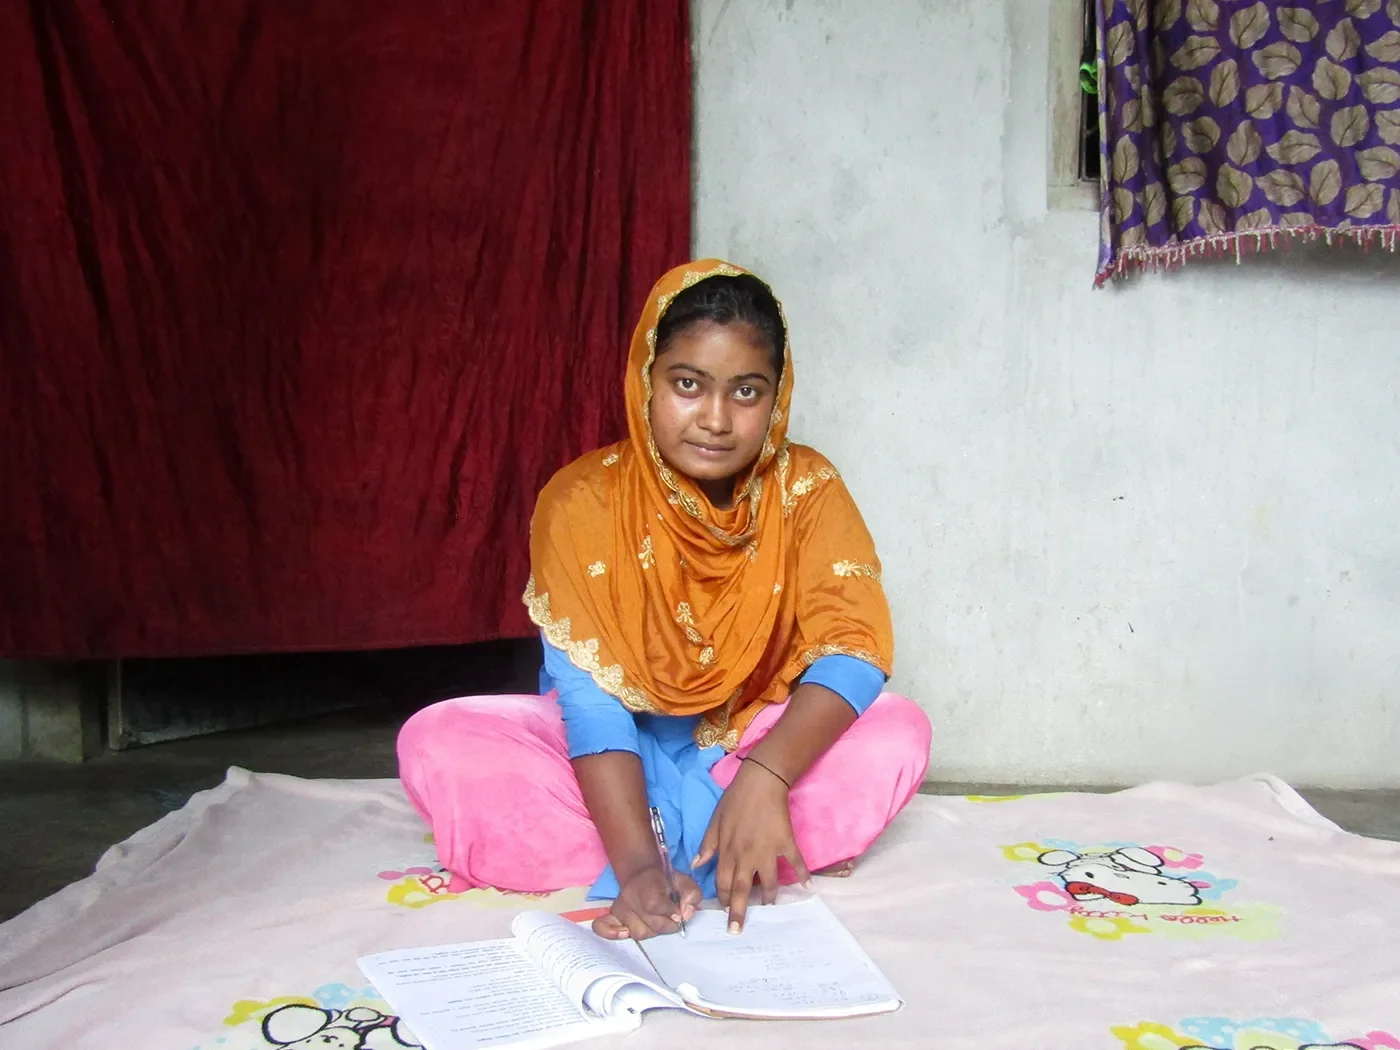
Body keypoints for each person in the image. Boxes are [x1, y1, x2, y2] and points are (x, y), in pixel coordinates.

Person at [397, 259, 932, 941]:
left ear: (777, 397)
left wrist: (765, 777)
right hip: (613, 769)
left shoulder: (807, 488)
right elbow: (591, 708)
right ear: (645, 378)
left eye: (746, 392)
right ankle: (722, 855)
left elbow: (853, 650)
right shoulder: (581, 500)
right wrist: (639, 870)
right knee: (439, 741)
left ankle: (738, 824)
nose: (715, 419)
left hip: (749, 740)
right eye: (688, 385)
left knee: (897, 730)